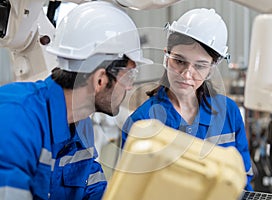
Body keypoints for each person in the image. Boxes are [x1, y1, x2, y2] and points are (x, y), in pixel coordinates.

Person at [0, 1, 152, 199]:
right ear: (100, 80)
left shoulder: (80, 125)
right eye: (129, 76)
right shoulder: (16, 117)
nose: (130, 86)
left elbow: (94, 190)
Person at [121, 8, 254, 190]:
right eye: (180, 61)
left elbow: (242, 179)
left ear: (211, 69)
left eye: (200, 65)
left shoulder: (228, 112)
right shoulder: (142, 122)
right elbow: (131, 189)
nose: (186, 74)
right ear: (166, 58)